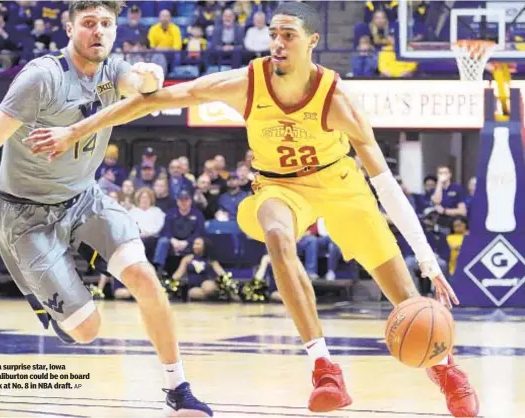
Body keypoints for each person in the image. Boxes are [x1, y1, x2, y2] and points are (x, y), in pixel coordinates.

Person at [25, 2, 478, 416]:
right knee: (278, 235)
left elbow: (386, 187)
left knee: (405, 295)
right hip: (280, 188)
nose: (277, 43)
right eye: (274, 35)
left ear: (312, 42)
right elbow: (152, 101)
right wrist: (74, 131)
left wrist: (425, 260)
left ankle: (445, 369)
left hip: (343, 186)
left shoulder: (338, 101)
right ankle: (323, 368)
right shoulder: (246, 83)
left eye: (288, 36)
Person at [0, 2, 212, 417]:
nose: (98, 31)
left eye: (107, 24)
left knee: (144, 276)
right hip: (25, 215)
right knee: (87, 331)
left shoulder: (112, 70)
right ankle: (41, 288)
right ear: (70, 29)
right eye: (89, 24)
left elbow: (141, 82)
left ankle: (178, 389)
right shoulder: (41, 78)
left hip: (84, 198)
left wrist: (150, 74)